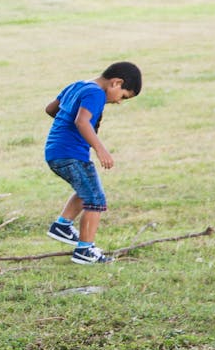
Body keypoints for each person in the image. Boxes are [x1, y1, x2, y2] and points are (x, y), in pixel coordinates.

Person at [43, 61, 142, 265]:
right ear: (116, 83)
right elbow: (81, 121)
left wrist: (66, 120)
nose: (119, 101)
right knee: (95, 200)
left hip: (55, 151)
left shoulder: (77, 86)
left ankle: (62, 226)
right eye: (123, 96)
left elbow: (51, 109)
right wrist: (100, 148)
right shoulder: (96, 93)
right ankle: (85, 250)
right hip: (71, 153)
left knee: (86, 189)